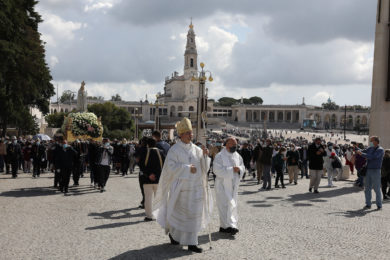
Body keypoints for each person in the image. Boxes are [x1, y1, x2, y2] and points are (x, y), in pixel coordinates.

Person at [153, 117, 211, 253]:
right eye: (188, 133)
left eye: (191, 133)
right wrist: (186, 168)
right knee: (179, 214)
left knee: (194, 215)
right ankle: (174, 235)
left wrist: (205, 157)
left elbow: (204, 168)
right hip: (180, 188)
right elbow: (169, 168)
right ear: (181, 135)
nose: (191, 135)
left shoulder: (197, 149)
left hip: (196, 188)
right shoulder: (175, 150)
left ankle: (192, 243)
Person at [213, 137, 245, 235]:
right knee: (224, 205)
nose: (235, 146)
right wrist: (231, 170)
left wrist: (239, 169)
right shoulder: (219, 156)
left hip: (233, 186)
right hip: (222, 185)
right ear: (226, 144)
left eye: (235, 145)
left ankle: (231, 225)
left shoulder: (237, 156)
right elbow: (216, 170)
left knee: (232, 205)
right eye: (232, 144)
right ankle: (225, 226)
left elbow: (242, 166)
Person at [138, 137, 165, 221]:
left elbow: (141, 165)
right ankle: (159, 215)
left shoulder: (145, 152)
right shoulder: (161, 152)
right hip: (159, 179)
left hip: (147, 179)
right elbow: (164, 165)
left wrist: (149, 174)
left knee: (148, 198)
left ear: (147, 144)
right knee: (158, 198)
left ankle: (149, 216)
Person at [356, 136, 385, 210]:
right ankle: (368, 204)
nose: (370, 142)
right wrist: (357, 149)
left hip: (376, 170)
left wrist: (361, 154)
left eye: (371, 141)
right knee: (367, 188)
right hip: (368, 170)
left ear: (376, 141)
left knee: (377, 188)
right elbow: (363, 150)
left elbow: (373, 157)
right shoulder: (370, 148)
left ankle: (379, 205)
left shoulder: (380, 150)